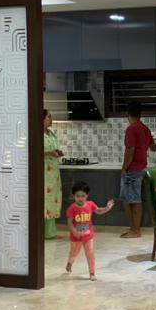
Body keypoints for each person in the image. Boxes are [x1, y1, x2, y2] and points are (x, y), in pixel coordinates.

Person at [119, 102, 156, 239]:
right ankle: (133, 228)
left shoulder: (131, 129)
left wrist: (124, 168)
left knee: (133, 200)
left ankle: (135, 230)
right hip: (141, 167)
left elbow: (130, 150)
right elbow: (153, 147)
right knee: (128, 199)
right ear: (140, 114)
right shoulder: (145, 128)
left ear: (128, 114)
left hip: (132, 168)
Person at [65, 181, 114, 281]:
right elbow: (69, 222)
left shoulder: (90, 204)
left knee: (90, 254)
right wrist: (74, 232)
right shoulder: (71, 209)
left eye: (83, 196)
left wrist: (107, 208)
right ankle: (70, 263)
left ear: (87, 195)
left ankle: (92, 273)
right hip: (76, 238)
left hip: (88, 236)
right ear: (73, 196)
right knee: (73, 253)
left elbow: (99, 211)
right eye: (77, 196)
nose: (80, 198)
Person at [43, 110, 63, 240]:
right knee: (45, 200)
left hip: (54, 173)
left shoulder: (51, 133)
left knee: (52, 201)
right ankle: (43, 232)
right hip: (43, 172)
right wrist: (49, 152)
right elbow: (32, 151)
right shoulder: (35, 134)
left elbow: (54, 149)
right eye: (49, 116)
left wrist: (57, 152)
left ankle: (50, 233)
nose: (51, 119)